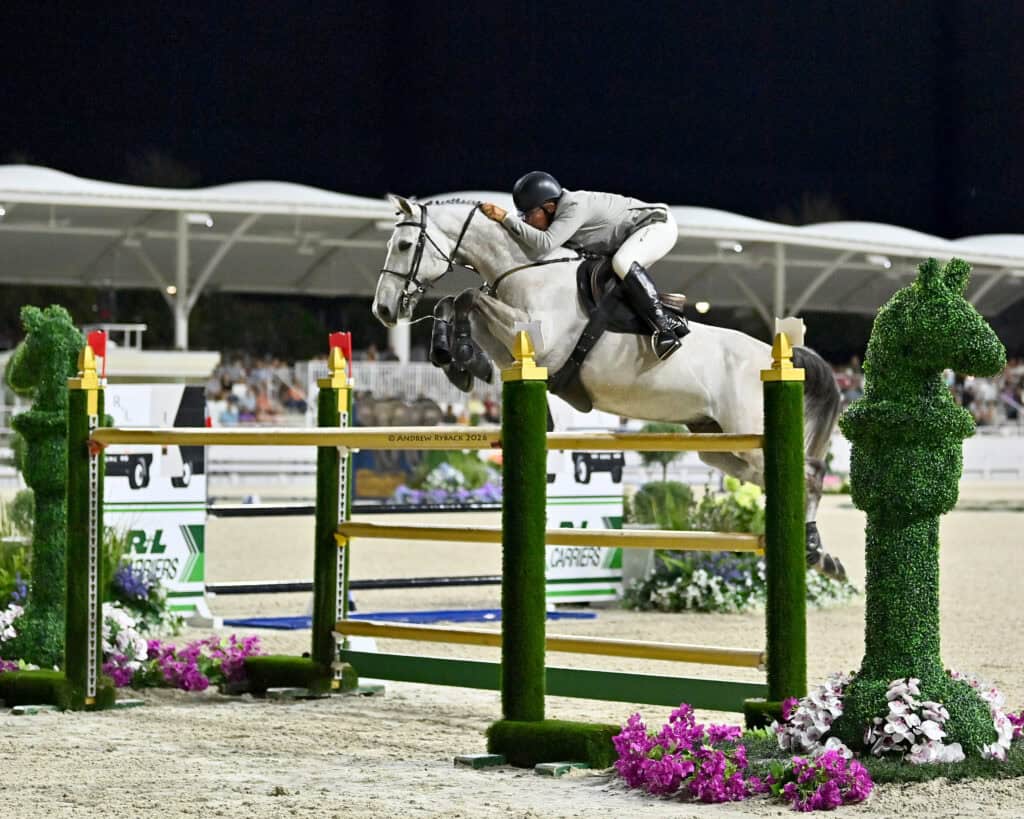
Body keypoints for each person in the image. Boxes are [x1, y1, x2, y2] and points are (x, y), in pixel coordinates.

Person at [481, 171, 688, 360]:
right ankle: (668, 315)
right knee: (610, 284)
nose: (525, 221)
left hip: (656, 225)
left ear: (550, 207)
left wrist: (505, 218)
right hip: (632, 237)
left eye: (528, 215)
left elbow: (543, 245)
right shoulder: (558, 216)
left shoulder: (574, 206)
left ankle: (664, 328)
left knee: (622, 263)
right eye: (521, 216)